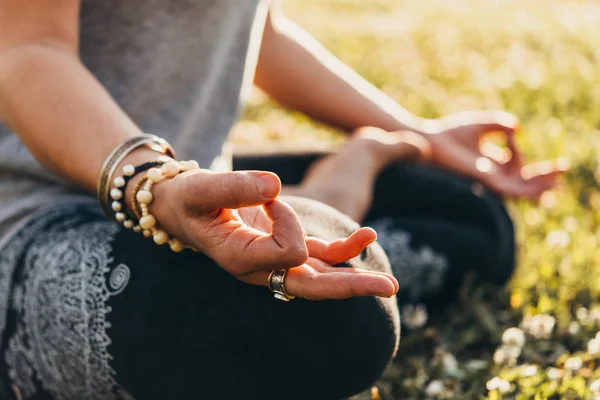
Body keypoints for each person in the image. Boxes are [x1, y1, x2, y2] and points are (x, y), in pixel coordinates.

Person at [0, 1, 567, 399]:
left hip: (196, 188)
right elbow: (28, 47)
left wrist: (423, 136)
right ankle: (327, 191)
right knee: (339, 322)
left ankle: (322, 194)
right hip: (42, 211)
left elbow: (260, 30)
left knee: (471, 217)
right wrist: (153, 182)